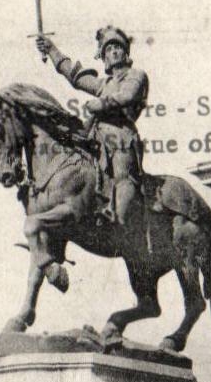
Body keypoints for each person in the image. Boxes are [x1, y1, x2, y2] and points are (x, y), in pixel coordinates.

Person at [36, 25, 149, 236]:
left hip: (121, 138)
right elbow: (76, 77)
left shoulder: (136, 75)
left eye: (117, 48)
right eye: (108, 49)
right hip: (95, 137)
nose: (113, 52)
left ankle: (125, 225)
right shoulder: (103, 83)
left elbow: (127, 96)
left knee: (123, 176)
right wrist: (51, 49)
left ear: (125, 53)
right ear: (103, 57)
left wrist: (101, 104)